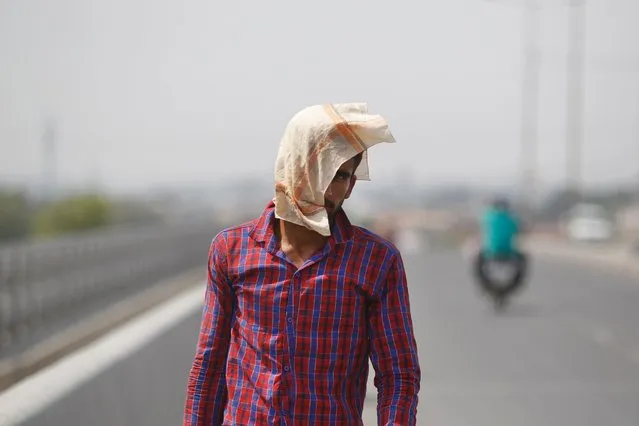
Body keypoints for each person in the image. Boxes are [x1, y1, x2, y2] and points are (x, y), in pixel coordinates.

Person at [184, 103, 421, 425]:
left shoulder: (376, 261)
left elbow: (398, 377)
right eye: (321, 169)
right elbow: (209, 365)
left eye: (342, 176)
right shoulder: (232, 250)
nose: (332, 188)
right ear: (291, 166)